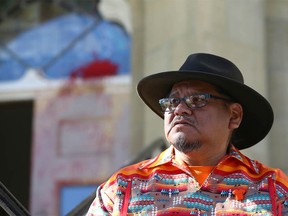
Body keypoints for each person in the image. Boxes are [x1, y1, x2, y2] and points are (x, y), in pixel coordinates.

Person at [86, 53, 288, 215]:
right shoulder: (122, 188)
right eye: (172, 102)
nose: (180, 109)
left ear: (234, 116)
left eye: (197, 100)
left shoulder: (274, 189)